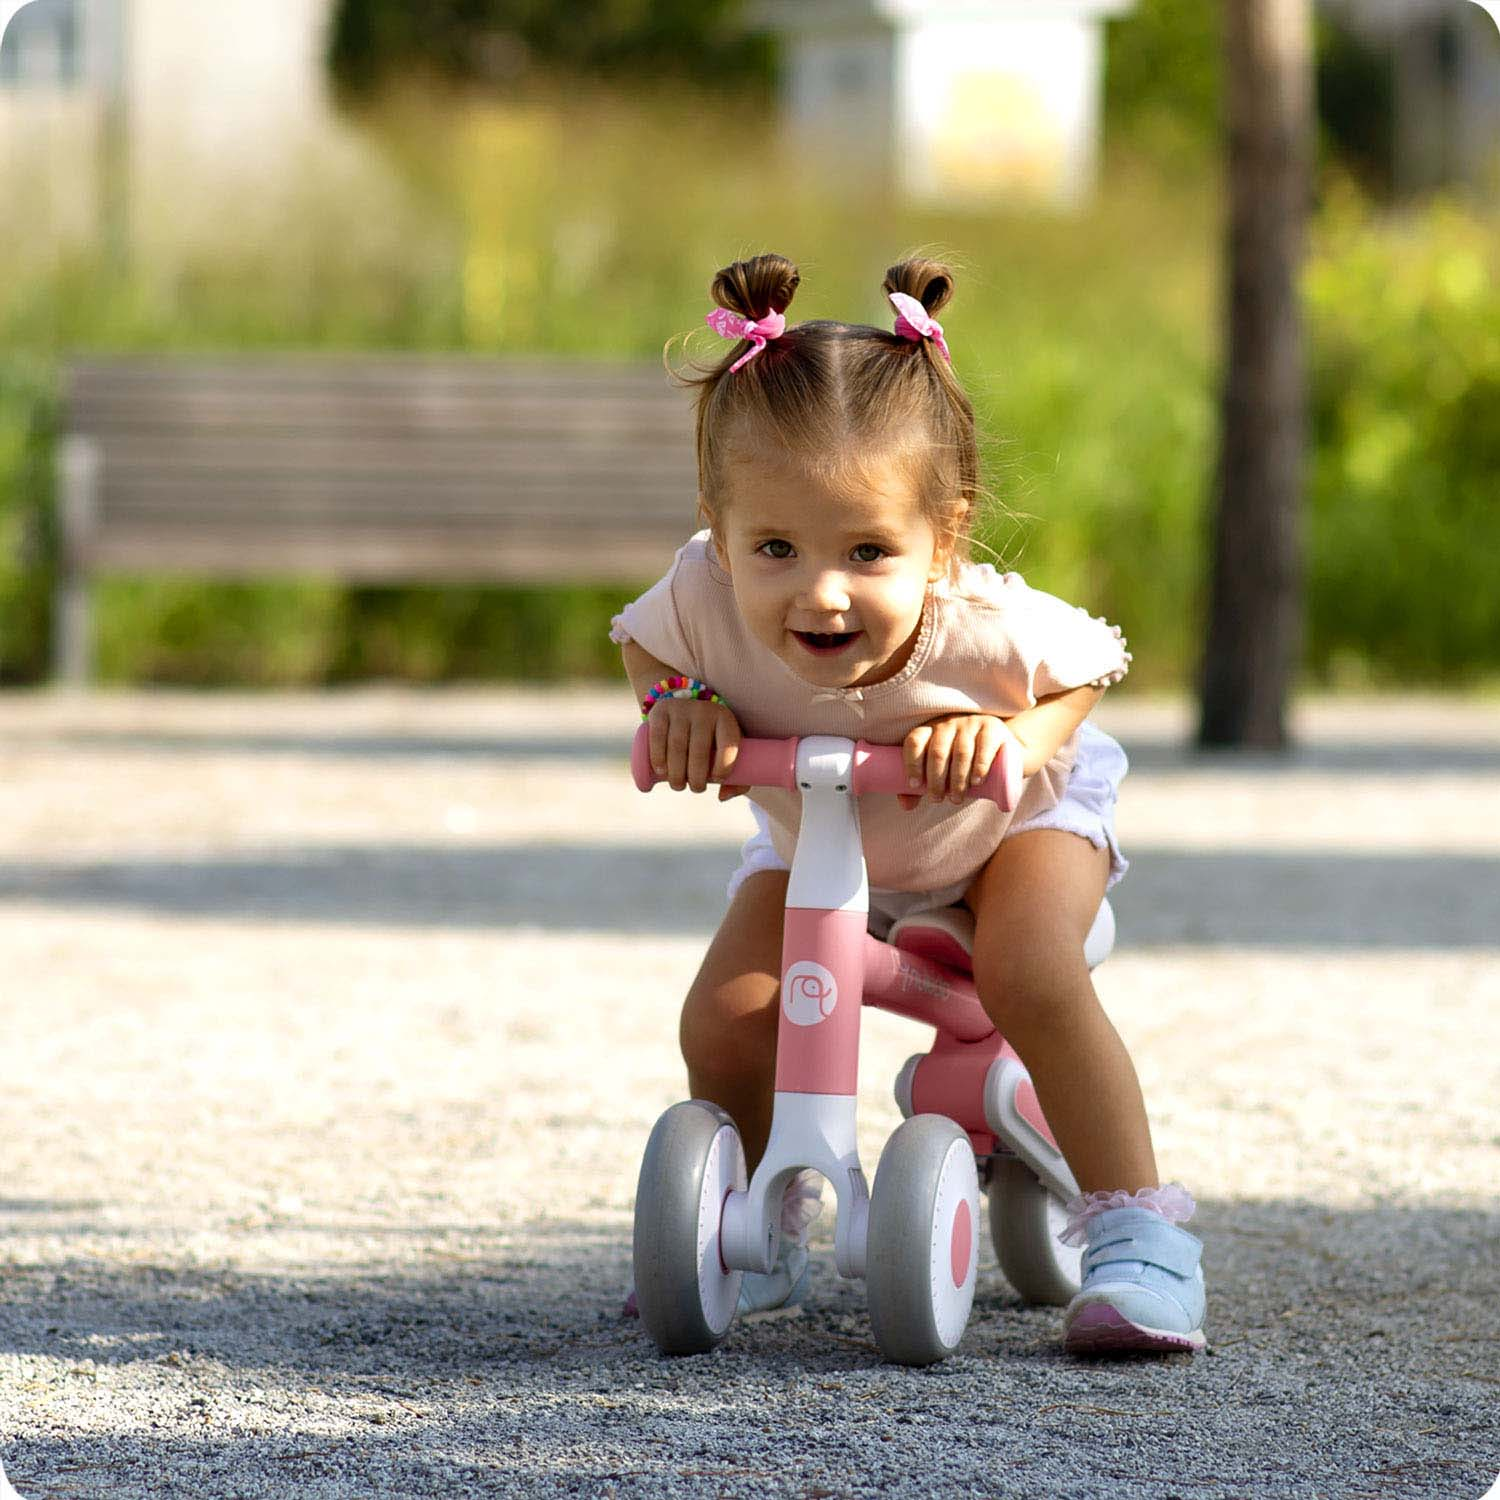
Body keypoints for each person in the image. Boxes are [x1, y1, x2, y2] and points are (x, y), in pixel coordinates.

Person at [612, 253, 1206, 1355]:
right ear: (719, 524)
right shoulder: (699, 591)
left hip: (1007, 826)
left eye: (869, 551)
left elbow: (1089, 670)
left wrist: (1008, 738)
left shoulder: (982, 624)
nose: (821, 591)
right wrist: (681, 704)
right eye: (776, 548)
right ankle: (750, 1218)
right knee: (728, 1015)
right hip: (831, 832)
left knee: (1028, 970)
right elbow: (647, 645)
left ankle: (1140, 1240)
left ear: (947, 536)